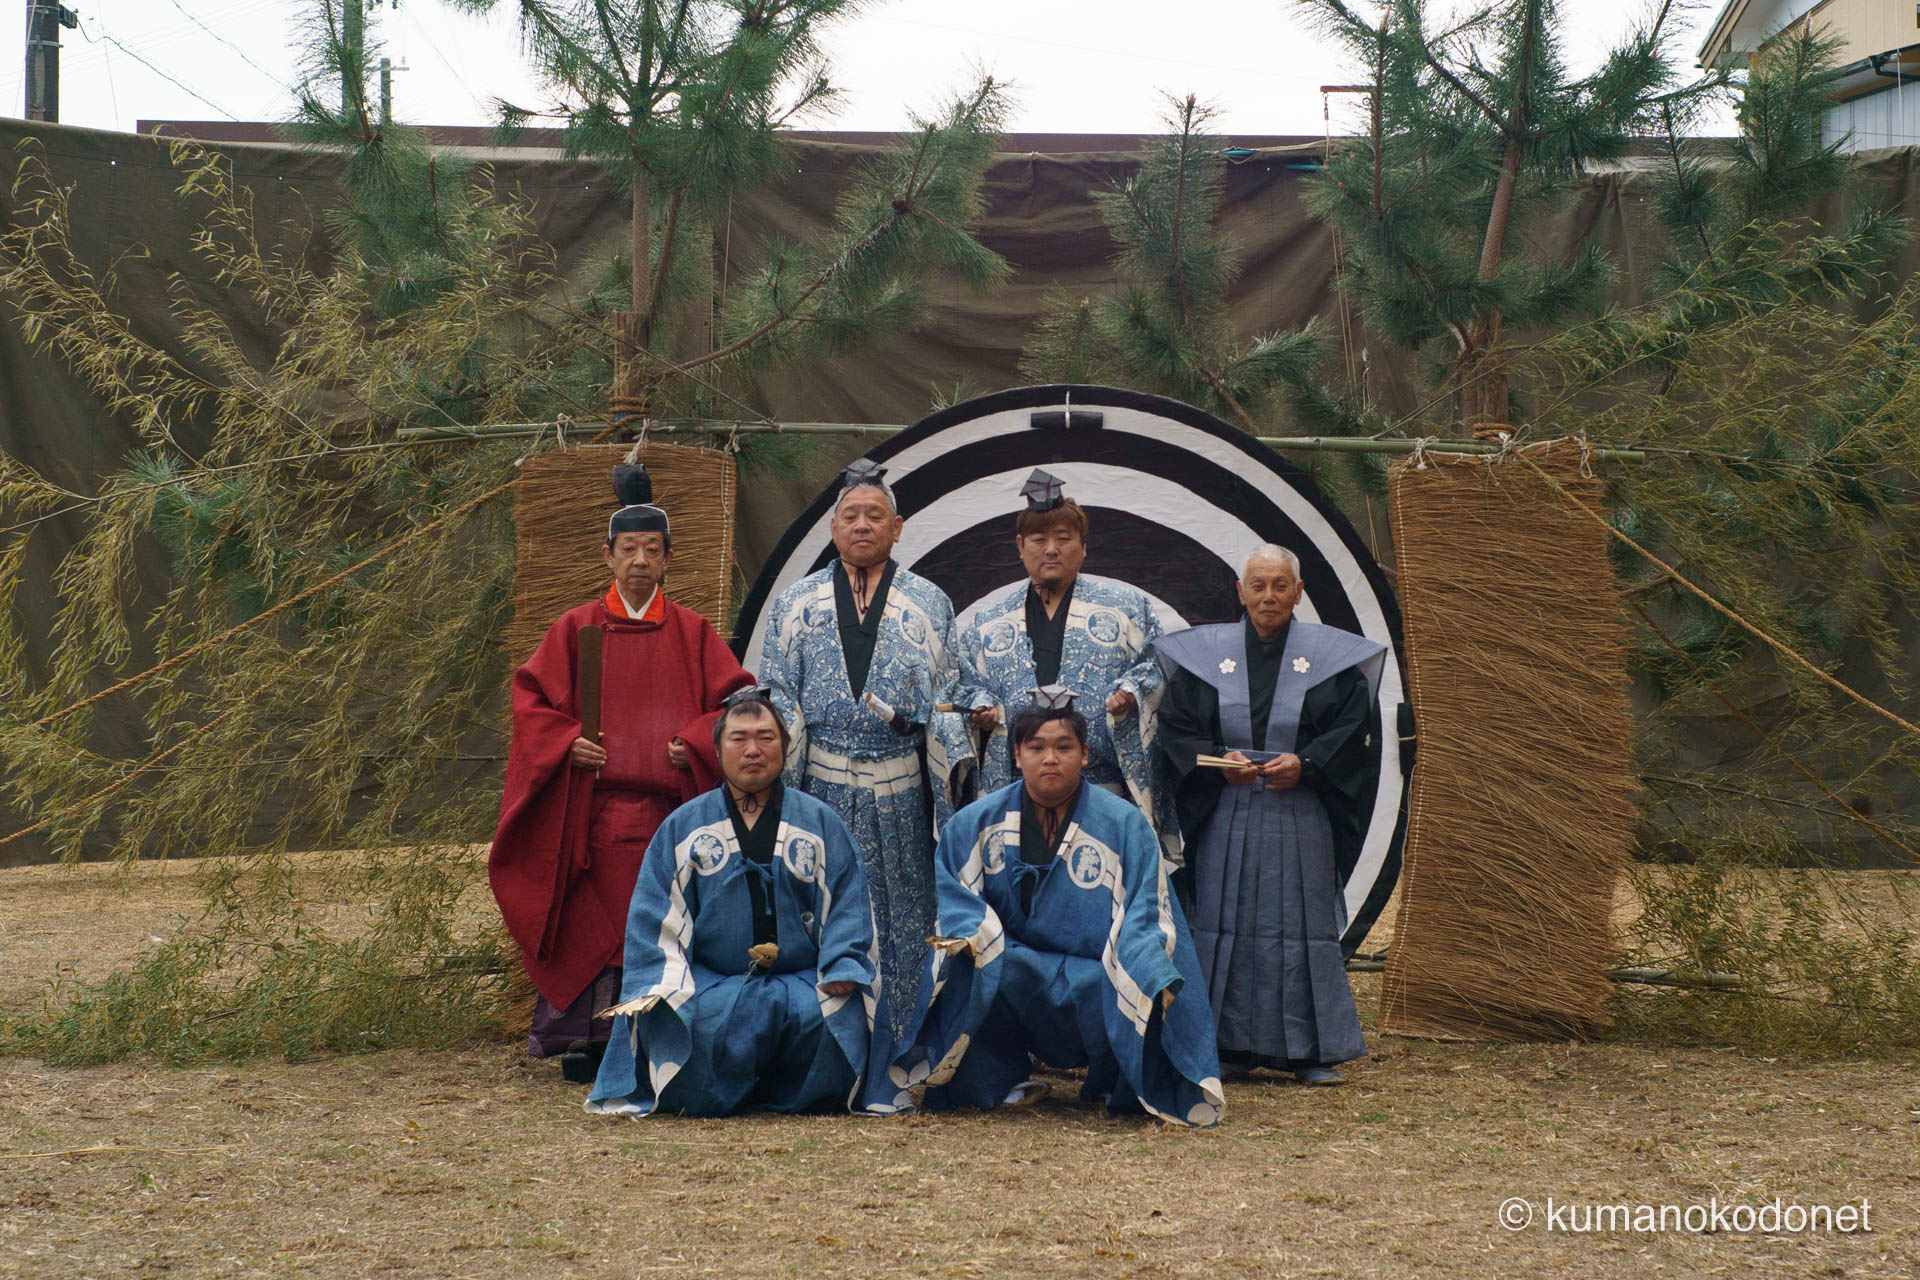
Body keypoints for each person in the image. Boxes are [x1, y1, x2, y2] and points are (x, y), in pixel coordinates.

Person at [490, 464, 753, 1082]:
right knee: (596, 922)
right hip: (596, 814)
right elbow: (530, 702)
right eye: (628, 549)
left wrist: (695, 740)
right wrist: (565, 742)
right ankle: (587, 1038)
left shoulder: (692, 632)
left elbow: (735, 703)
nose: (639, 560)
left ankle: (663, 1031)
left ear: (668, 561)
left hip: (670, 815)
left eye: (652, 550)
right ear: (606, 556)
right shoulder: (577, 629)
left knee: (663, 920)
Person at [891, 687, 1224, 1125]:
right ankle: (995, 1078)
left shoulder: (1125, 824)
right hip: (1011, 964)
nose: (1051, 758)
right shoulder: (971, 824)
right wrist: (978, 937)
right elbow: (958, 904)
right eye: (1037, 747)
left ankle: (1116, 1081)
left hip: (1098, 968)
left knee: (1142, 969)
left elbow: (1145, 912)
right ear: (1016, 755)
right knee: (972, 961)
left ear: (1085, 755)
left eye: (1064, 747)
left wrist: (1144, 960)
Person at [586, 690, 894, 1116]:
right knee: (698, 1019)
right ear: (717, 750)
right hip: (713, 981)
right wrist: (666, 980)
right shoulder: (683, 827)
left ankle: (793, 1095)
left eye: (766, 738)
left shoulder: (822, 823)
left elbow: (849, 903)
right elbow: (653, 917)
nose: (753, 750)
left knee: (828, 1017)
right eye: (739, 739)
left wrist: (842, 963)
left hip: (803, 977)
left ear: (786, 748)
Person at [758, 459, 973, 1065]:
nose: (861, 525)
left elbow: (951, 695)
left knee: (906, 910)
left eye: (874, 515)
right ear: (832, 527)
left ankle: (902, 1043)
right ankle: (822, 1049)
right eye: (850, 515)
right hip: (821, 786)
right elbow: (778, 696)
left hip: (900, 787)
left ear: (898, 527)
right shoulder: (796, 602)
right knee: (818, 908)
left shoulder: (930, 603)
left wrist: (946, 725)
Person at [1153, 544, 1386, 1086]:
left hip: (1300, 808)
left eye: (1280, 585)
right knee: (1220, 918)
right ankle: (1224, 1042)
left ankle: (1309, 1050)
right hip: (1225, 810)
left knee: (1299, 923)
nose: (1268, 596)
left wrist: (1307, 763)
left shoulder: (1330, 659)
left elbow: (1352, 731)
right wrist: (1217, 761)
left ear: (1299, 592)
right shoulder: (1210, 656)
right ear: (1240, 591)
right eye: (1257, 585)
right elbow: (1178, 728)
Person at [955, 469, 1175, 854]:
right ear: (1020, 546)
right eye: (1039, 539)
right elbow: (966, 685)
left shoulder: (1127, 609)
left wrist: (1130, 693)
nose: (1051, 549)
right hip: (1017, 788)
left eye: (1063, 538)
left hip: (1105, 786)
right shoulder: (988, 623)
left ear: (1084, 546)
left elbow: (1157, 666)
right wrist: (981, 710)